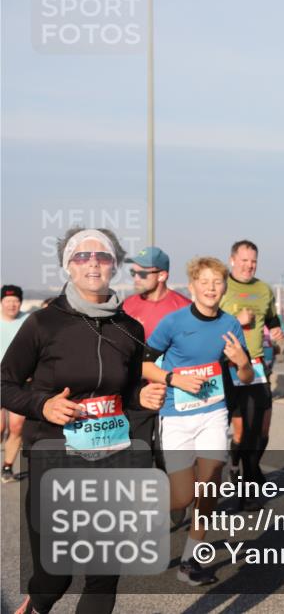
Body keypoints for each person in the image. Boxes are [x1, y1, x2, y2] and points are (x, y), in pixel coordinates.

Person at [1, 228, 165, 614]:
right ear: (68, 266)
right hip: (54, 456)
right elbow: (4, 383)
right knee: (53, 576)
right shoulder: (44, 324)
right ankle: (37, 603)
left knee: (104, 572)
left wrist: (138, 397)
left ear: (115, 266)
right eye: (81, 256)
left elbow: (124, 391)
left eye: (103, 256)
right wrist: (42, 406)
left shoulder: (130, 328)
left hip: (111, 458)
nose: (93, 263)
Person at [143, 257, 253, 586]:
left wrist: (242, 361)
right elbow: (144, 366)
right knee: (181, 496)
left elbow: (245, 377)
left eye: (217, 282)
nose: (211, 288)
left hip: (213, 412)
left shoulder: (230, 324)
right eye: (204, 282)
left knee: (209, 484)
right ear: (192, 287)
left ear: (224, 288)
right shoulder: (173, 323)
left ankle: (189, 561)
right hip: (176, 417)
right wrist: (173, 379)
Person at [219, 240, 284, 507]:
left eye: (253, 261)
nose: (249, 265)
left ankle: (251, 470)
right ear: (233, 259)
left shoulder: (263, 289)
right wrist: (237, 322)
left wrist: (277, 329)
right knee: (242, 430)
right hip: (230, 365)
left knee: (263, 426)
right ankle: (247, 482)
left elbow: (271, 318)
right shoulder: (221, 286)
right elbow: (208, 318)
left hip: (257, 366)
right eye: (244, 260)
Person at [121, 246, 191, 464]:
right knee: (137, 458)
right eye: (133, 273)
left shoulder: (183, 308)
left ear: (162, 275)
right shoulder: (126, 307)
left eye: (142, 273)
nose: (136, 278)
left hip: (172, 394)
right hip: (138, 393)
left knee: (168, 460)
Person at [1, 284, 29, 483]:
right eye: (8, 301)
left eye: (16, 301)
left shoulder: (28, 321)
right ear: (1, 302)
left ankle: (7, 467)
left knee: (17, 425)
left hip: (21, 380)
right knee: (0, 426)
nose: (12, 305)